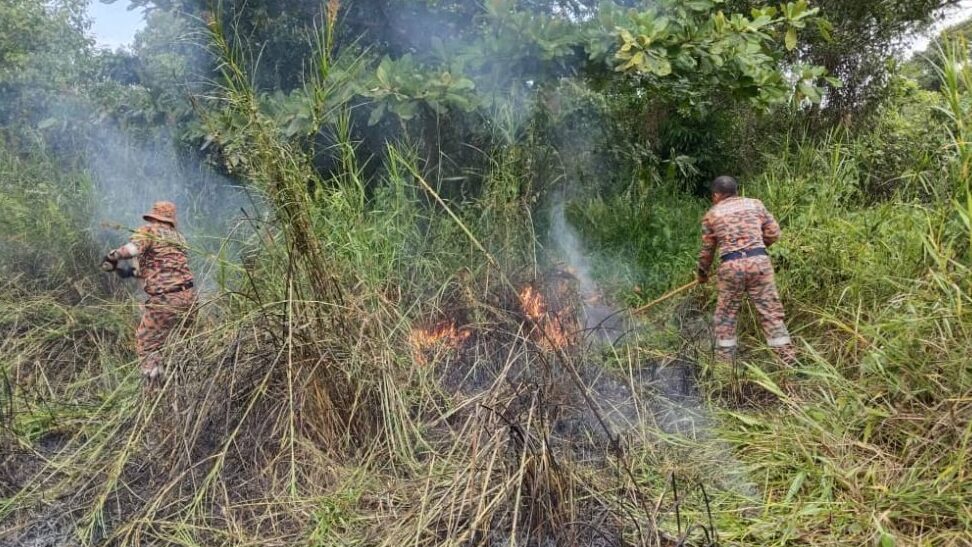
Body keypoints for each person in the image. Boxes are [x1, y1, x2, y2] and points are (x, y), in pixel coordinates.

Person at [696, 176, 796, 364]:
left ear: (716, 195)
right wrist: (754, 250)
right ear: (736, 191)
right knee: (770, 313)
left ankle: (725, 366)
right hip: (760, 263)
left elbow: (707, 251)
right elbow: (774, 233)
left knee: (726, 316)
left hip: (731, 267)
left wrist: (702, 273)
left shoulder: (712, 214)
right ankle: (786, 361)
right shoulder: (755, 205)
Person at [103, 201, 195, 382]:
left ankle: (153, 393)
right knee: (182, 345)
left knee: (147, 343)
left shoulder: (149, 231)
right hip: (189, 298)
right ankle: (185, 384)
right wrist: (128, 272)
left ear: (153, 217)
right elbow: (162, 267)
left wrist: (112, 256)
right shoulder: (178, 238)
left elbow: (131, 249)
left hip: (165, 300)